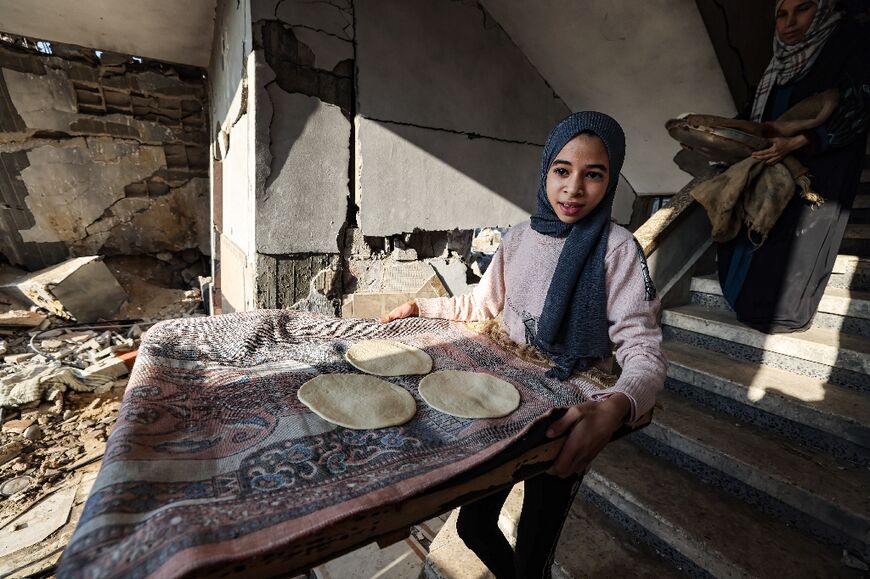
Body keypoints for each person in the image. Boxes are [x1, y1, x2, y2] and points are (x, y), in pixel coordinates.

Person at [379, 111, 666, 578]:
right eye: (562, 170)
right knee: (473, 526)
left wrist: (616, 404)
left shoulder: (617, 249)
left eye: (594, 174)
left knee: (534, 552)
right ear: (546, 171)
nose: (573, 188)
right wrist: (421, 309)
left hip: (562, 420)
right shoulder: (518, 238)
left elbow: (644, 352)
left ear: (611, 180)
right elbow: (482, 306)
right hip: (501, 409)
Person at [718, 0, 869, 332]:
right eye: (781, 15)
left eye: (802, 10)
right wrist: (717, 138)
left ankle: (781, 314)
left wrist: (800, 141)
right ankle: (744, 301)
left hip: (817, 172)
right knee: (754, 232)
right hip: (769, 168)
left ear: (823, 10)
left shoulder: (846, 48)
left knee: (793, 246)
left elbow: (855, 108)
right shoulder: (777, 64)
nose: (789, 22)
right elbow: (753, 117)